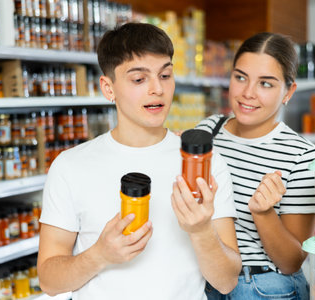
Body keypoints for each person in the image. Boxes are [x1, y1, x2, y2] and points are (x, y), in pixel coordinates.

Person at [37, 22, 242, 300]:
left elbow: (227, 281)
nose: (157, 89)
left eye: (165, 75)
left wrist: (201, 230)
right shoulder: (70, 166)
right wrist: (99, 255)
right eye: (139, 79)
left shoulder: (203, 164)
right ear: (108, 88)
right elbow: (49, 280)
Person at [196, 32, 315, 300]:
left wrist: (264, 214)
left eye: (266, 84)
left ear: (288, 91)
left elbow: (292, 262)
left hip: (261, 288)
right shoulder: (208, 131)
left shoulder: (303, 156)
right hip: (205, 281)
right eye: (240, 77)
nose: (248, 93)